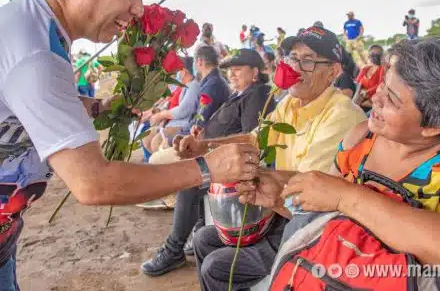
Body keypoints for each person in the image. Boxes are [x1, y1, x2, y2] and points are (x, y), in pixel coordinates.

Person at [0, 0, 260, 289]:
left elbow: (20, 102)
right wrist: (207, 168)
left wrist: (93, 107)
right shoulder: (37, 53)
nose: (138, 8)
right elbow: (93, 183)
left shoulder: (34, 22)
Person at [186, 27, 366, 291]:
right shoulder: (290, 103)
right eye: (293, 58)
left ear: (333, 71)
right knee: (203, 238)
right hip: (279, 210)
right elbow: (255, 140)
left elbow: (307, 196)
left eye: (308, 60)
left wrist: (254, 178)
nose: (297, 68)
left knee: (217, 267)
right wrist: (204, 146)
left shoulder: (341, 115)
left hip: (310, 227)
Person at [252, 38, 440, 281]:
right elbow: (322, 218)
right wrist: (279, 198)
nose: (376, 98)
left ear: (433, 126)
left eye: (392, 99)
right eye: (382, 83)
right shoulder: (360, 139)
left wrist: (346, 196)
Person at [141, 49, 276, 277]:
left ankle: (173, 250)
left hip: (233, 165)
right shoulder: (240, 94)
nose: (232, 74)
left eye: (238, 69)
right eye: (230, 70)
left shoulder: (257, 95)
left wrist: (207, 145)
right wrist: (202, 136)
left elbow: (251, 140)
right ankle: (195, 229)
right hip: (213, 152)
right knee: (185, 166)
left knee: (189, 180)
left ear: (255, 73)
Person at [142, 57, 200, 154]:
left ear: (184, 71)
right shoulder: (185, 86)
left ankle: (164, 162)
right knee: (146, 137)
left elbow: (183, 111)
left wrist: (161, 115)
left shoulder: (193, 86)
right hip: (173, 123)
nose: (177, 74)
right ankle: (156, 161)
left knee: (156, 143)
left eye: (178, 71)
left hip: (183, 126)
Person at [355, 44, 385, 111]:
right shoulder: (365, 69)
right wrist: (360, 92)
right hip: (360, 97)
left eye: (378, 54)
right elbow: (357, 83)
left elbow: (381, 85)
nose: (375, 56)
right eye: (373, 54)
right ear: (369, 55)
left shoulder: (382, 69)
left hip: (371, 100)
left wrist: (366, 92)